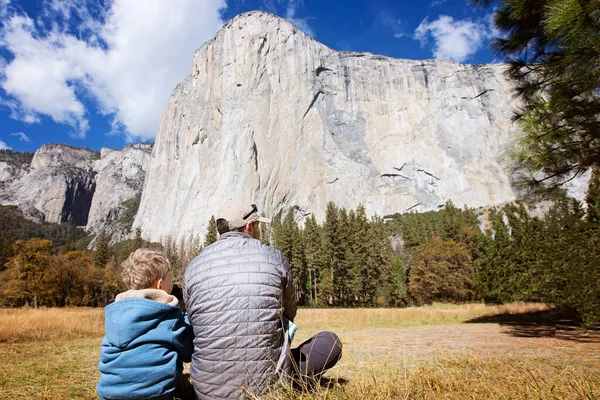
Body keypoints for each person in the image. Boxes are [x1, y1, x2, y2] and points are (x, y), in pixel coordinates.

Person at [183, 199, 342, 399]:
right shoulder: (274, 258)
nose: (259, 231)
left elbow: (193, 320)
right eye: (258, 225)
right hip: (269, 389)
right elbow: (289, 313)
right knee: (329, 342)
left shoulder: (194, 267)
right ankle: (294, 381)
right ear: (249, 226)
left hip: (208, 392)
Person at [97, 249, 194, 400]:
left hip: (109, 392)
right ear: (159, 284)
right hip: (152, 393)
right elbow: (187, 351)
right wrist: (187, 318)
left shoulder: (115, 313)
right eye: (170, 278)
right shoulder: (166, 314)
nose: (173, 283)